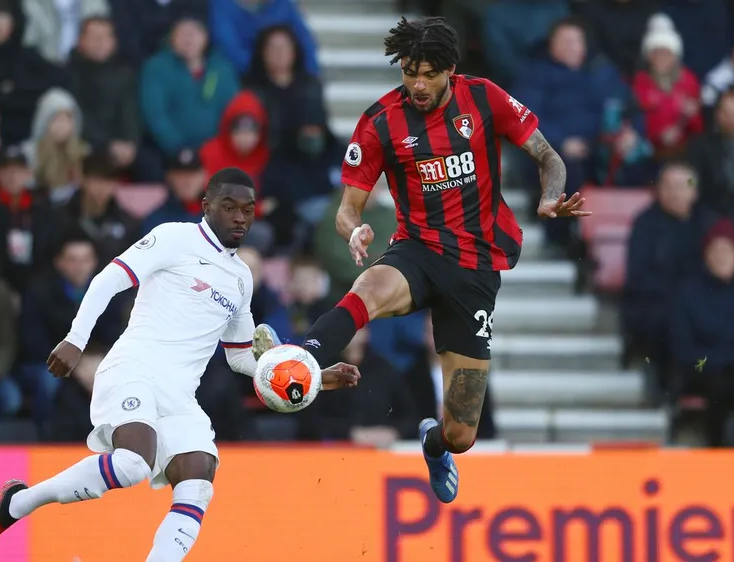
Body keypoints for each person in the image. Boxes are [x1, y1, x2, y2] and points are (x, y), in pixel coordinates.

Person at [252, 17, 588, 504]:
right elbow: (348, 208)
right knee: (367, 290)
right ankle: (299, 360)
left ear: (450, 70)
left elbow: (548, 156)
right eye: (410, 72)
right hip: (418, 250)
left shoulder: (485, 97)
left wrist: (550, 196)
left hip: (475, 269)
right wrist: (355, 228)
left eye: (429, 74)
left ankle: (433, 444)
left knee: (462, 434)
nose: (418, 84)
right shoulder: (381, 120)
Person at [0, 167, 361, 560]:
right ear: (206, 206)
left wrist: (313, 377)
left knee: (199, 479)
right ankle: (17, 503)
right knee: (133, 465)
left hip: (180, 396)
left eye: (248, 209)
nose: (240, 216)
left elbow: (240, 355)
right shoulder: (174, 237)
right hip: (132, 369)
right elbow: (108, 279)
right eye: (229, 206)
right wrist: (75, 340)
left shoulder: (242, 279)